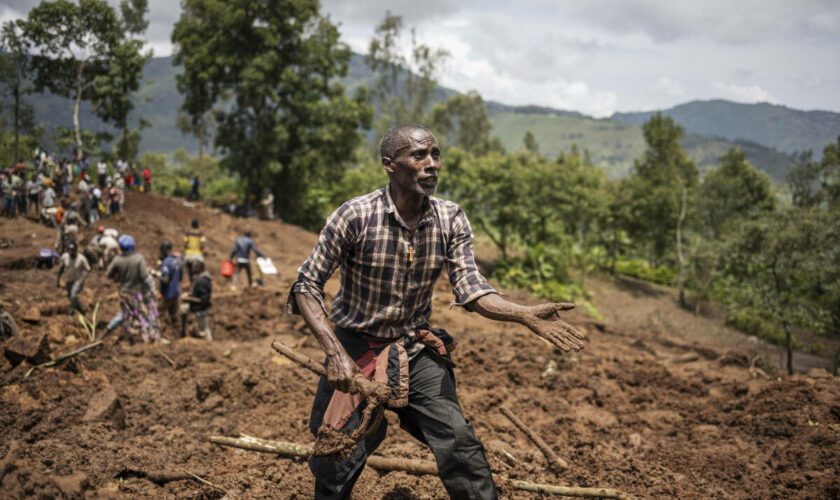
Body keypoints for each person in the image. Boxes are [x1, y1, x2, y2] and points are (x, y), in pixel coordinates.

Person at [287, 125, 586, 499]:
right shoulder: (355, 216)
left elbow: (472, 288)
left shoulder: (450, 218)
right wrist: (335, 354)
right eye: (419, 156)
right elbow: (306, 285)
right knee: (336, 453)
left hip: (413, 349)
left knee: (460, 442)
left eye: (436, 155)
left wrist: (521, 313)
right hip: (355, 347)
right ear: (389, 165)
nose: (432, 165)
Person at [103, 235, 162, 343]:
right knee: (144, 315)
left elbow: (108, 274)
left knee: (126, 315)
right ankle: (149, 339)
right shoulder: (138, 259)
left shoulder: (117, 260)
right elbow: (146, 278)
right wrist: (154, 291)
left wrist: (118, 278)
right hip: (137, 294)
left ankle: (128, 337)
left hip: (124, 293)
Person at [180, 260, 212, 340]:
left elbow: (204, 300)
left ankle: (210, 345)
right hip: (198, 309)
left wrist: (188, 299)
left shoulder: (202, 281)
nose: (192, 269)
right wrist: (189, 295)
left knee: (204, 332)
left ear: (199, 268)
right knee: (183, 310)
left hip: (200, 310)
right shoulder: (200, 278)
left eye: (194, 267)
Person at [56, 241, 90, 316]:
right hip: (68, 281)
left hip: (77, 281)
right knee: (70, 297)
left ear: (76, 250)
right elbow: (61, 268)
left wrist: (82, 279)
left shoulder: (81, 258)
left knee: (73, 296)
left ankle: (74, 311)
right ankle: (79, 310)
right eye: (70, 250)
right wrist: (58, 280)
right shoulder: (65, 256)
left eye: (73, 250)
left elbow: (87, 270)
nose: (71, 252)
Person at [158, 240, 183, 332]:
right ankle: (179, 336)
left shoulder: (166, 262)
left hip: (168, 294)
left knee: (157, 313)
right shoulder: (178, 260)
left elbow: (165, 280)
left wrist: (158, 275)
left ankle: (158, 335)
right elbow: (180, 277)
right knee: (174, 316)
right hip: (176, 292)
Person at [183, 219, 206, 284]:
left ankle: (191, 285)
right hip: (197, 255)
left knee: (189, 272)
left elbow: (185, 244)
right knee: (198, 272)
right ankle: (195, 287)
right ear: (198, 225)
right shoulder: (200, 234)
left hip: (188, 255)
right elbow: (202, 244)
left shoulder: (187, 233)